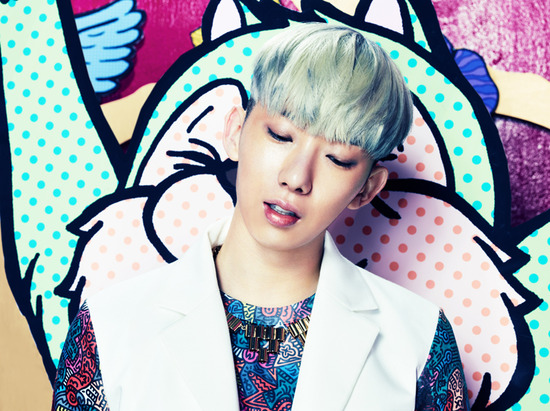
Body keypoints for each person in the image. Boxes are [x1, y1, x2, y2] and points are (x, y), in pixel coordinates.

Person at [52, 23, 469, 410]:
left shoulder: (420, 339)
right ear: (235, 130)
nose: (296, 178)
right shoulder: (109, 327)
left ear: (367, 188)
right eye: (280, 135)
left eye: (338, 159)